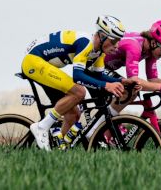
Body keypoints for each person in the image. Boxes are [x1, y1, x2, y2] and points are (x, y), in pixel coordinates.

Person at [22, 15, 133, 150]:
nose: (117, 46)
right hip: (34, 61)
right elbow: (78, 76)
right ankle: (41, 127)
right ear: (102, 36)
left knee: (73, 114)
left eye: (118, 41)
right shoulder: (86, 43)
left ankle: (57, 150)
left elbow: (98, 75)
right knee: (79, 92)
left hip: (44, 64)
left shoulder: (98, 52)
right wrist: (107, 85)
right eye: (114, 40)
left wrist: (120, 80)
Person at [104, 20, 161, 115]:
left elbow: (152, 80)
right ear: (154, 43)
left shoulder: (150, 52)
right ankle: (102, 124)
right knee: (130, 90)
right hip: (94, 66)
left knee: (130, 91)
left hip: (106, 68)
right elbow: (134, 81)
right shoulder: (135, 46)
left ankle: (107, 124)